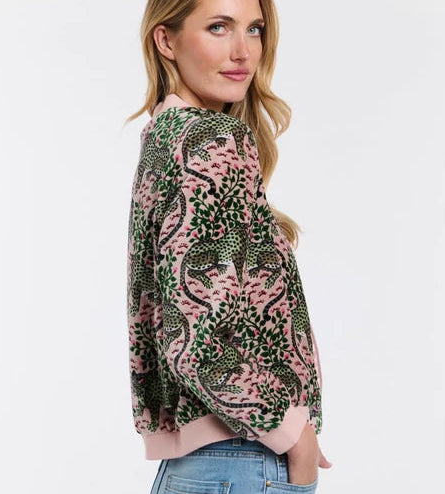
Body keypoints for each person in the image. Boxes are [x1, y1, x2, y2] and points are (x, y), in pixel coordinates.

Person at [125, 1, 332, 492]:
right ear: (166, 40)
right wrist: (293, 435)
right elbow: (195, 338)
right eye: (218, 27)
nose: (243, 51)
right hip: (243, 459)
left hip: (202, 468)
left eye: (254, 29)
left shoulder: (166, 134)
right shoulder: (211, 138)